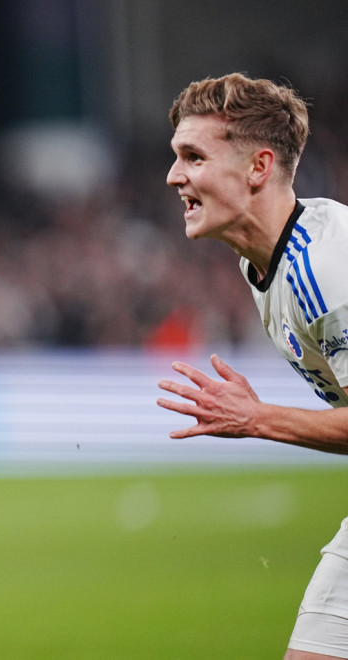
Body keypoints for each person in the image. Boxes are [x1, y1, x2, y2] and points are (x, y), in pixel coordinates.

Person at [157, 72, 348, 659]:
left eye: (194, 157)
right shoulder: (263, 262)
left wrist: (258, 418)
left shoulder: (326, 272)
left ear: (259, 167)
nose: (174, 176)